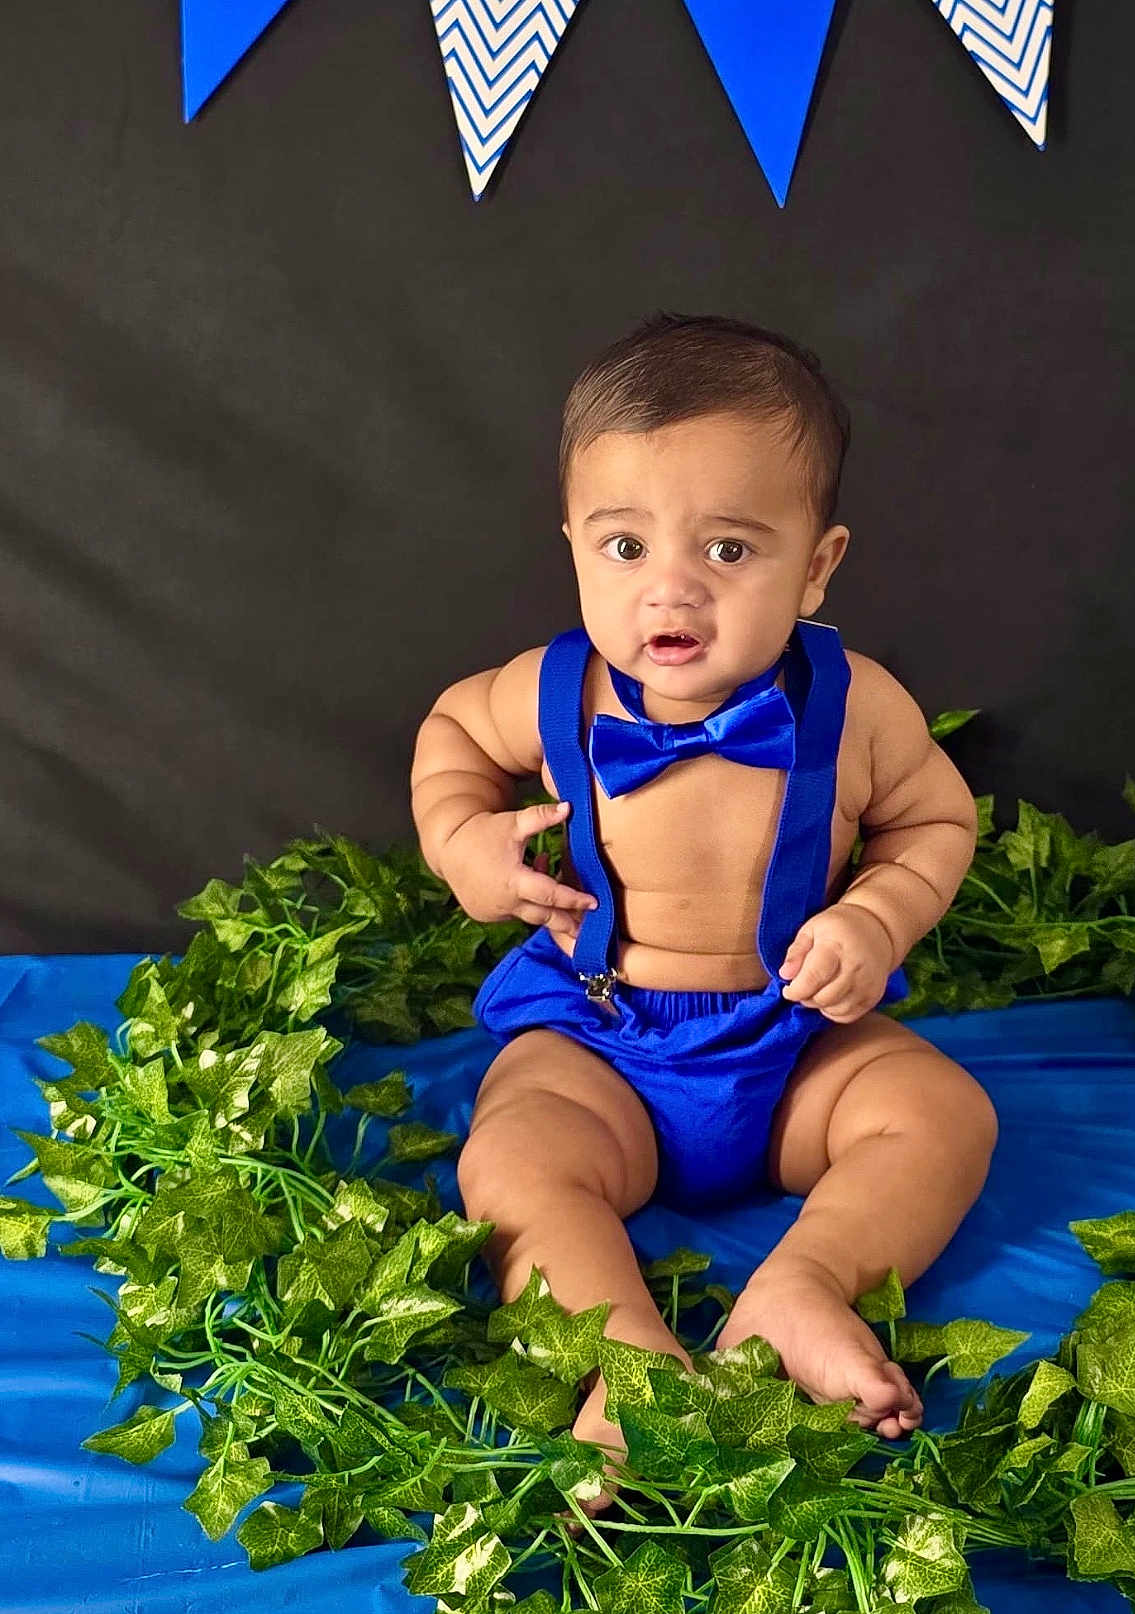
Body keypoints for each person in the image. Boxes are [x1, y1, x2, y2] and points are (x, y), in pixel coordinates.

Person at [409, 313, 998, 1497]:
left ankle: (805, 1284)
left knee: (941, 1113)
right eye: (624, 547)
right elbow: (455, 736)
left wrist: (878, 917)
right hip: (599, 1036)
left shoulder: (859, 705)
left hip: (790, 1044)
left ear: (818, 564)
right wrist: (461, 844)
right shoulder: (553, 689)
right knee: (515, 1154)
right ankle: (626, 1364)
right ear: (574, 542)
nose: (669, 587)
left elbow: (938, 822)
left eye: (729, 551)